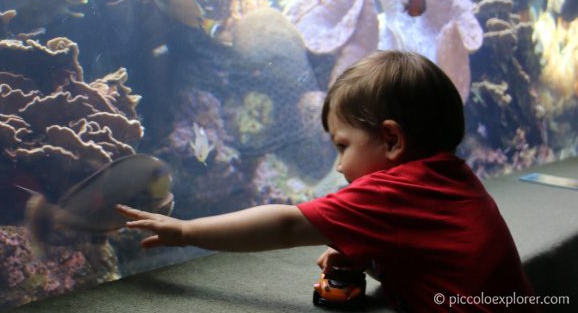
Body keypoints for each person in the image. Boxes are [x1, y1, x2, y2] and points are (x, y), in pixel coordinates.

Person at [117, 50, 536, 312]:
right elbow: (426, 259)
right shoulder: (449, 179)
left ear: (391, 139)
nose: (339, 166)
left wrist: (185, 230)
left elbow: (285, 225)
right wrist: (366, 253)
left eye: (342, 145)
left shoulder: (391, 192)